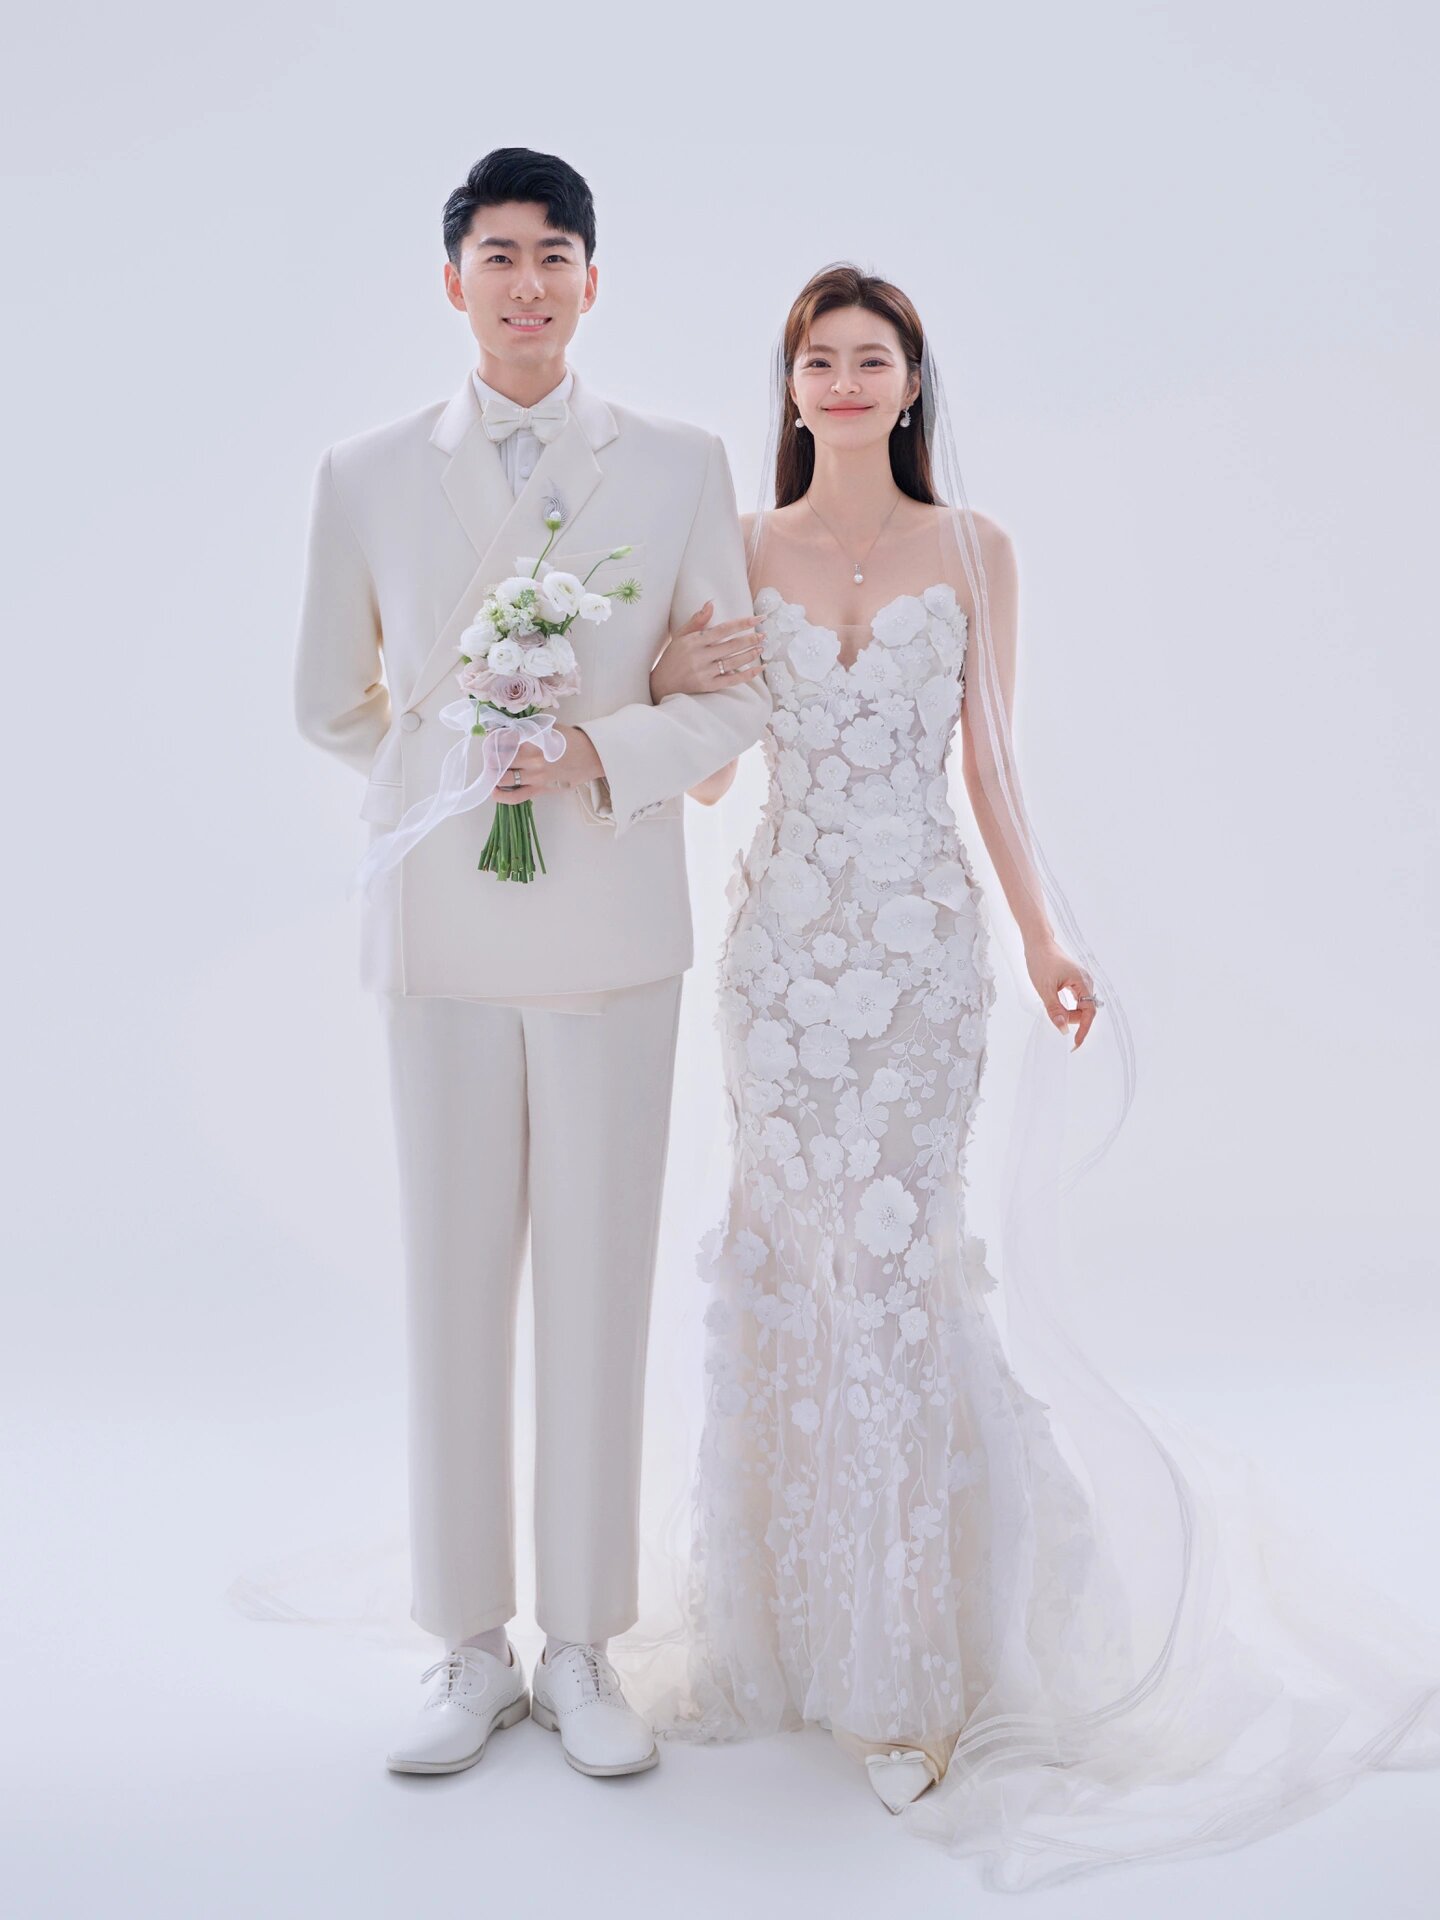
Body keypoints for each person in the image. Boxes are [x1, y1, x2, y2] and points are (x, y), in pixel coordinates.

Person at [640, 263, 1440, 1887]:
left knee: (902, 1270)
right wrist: (664, 689)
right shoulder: (739, 545)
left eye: (872, 357)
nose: (845, 381)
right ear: (788, 387)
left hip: (924, 958)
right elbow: (715, 777)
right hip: (782, 962)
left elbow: (991, 764)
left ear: (911, 382)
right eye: (818, 359)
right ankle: (786, 1632)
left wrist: (1047, 938)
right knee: (791, 1266)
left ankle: (910, 1672)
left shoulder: (975, 549)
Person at [293, 147, 769, 1780]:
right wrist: (458, 770)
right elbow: (329, 700)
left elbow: (733, 697)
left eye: (554, 254)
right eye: (498, 255)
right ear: (454, 281)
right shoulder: (367, 471)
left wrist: (592, 751)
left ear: (591, 281)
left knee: (598, 1281)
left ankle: (582, 1646)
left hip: (613, 924)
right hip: (439, 927)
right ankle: (466, 1647)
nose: (527, 283)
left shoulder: (679, 462)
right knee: (451, 1283)